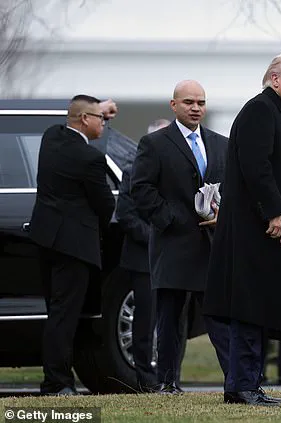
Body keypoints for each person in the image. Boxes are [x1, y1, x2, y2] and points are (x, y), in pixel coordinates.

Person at [203, 53, 281, 406]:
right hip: (256, 232)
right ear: (274, 78)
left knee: (258, 310)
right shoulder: (260, 110)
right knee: (249, 310)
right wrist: (275, 212)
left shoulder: (277, 111)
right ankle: (242, 386)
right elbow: (256, 166)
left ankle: (246, 384)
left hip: (264, 233)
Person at [131, 81, 228, 395]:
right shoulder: (155, 143)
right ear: (174, 105)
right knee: (170, 318)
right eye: (189, 102)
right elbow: (141, 190)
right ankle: (168, 381)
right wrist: (169, 219)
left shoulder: (220, 144)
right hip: (172, 245)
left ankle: (237, 381)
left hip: (211, 244)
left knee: (220, 317)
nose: (196, 108)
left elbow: (231, 188)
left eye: (201, 102)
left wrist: (223, 214)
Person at [29, 95, 117, 395]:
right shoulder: (90, 158)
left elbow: (75, 116)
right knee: (65, 316)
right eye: (100, 119)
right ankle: (56, 382)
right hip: (74, 246)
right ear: (85, 120)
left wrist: (98, 108)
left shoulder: (51, 138)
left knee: (56, 311)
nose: (103, 123)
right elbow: (105, 206)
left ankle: (56, 378)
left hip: (45, 239)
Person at [115, 118, 170, 393]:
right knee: (145, 321)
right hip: (143, 257)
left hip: (173, 258)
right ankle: (145, 379)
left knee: (172, 321)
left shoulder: (178, 171)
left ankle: (170, 377)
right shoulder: (132, 171)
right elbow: (126, 215)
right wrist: (156, 238)